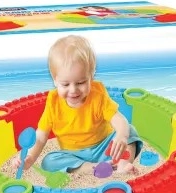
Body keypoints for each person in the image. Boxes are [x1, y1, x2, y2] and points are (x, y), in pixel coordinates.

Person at [12, 35, 143, 175]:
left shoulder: (98, 95)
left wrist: (121, 136)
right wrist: (30, 157)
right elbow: (41, 136)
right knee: (49, 161)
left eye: (81, 82)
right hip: (73, 155)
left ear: (91, 76)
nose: (73, 90)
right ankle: (92, 167)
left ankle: (123, 164)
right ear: (55, 80)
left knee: (129, 130)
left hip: (104, 148)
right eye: (65, 84)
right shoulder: (53, 102)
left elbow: (118, 119)